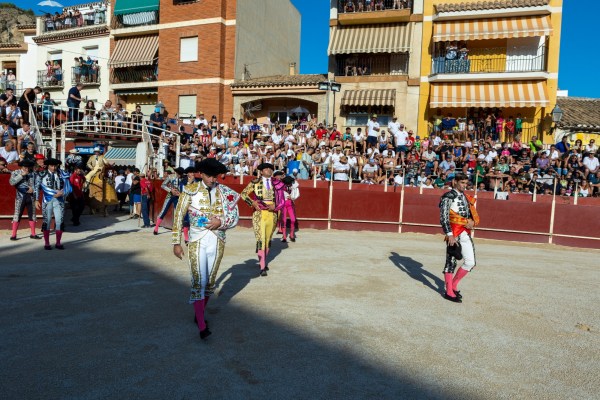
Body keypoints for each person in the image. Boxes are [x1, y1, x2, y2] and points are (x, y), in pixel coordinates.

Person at [171, 158, 240, 340]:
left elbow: (234, 216)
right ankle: (202, 326)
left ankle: (199, 312)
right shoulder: (189, 190)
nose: (212, 179)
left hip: (217, 240)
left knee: (209, 282)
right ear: (201, 174)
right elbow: (178, 217)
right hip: (196, 240)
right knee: (198, 281)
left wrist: (221, 222)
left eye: (215, 176)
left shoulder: (225, 192)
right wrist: (176, 242)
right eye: (209, 175)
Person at [439, 172, 480, 303]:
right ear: (455, 182)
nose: (464, 185)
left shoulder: (465, 196)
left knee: (470, 262)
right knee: (451, 262)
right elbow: (444, 217)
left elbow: (469, 214)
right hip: (454, 233)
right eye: (462, 183)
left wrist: (472, 222)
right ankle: (448, 291)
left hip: (464, 232)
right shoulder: (448, 196)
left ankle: (454, 285)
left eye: (466, 183)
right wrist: (449, 234)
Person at [240, 162, 286, 276]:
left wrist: (276, 206)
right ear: (261, 171)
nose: (269, 170)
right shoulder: (255, 182)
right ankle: (262, 266)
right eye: (266, 169)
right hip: (259, 214)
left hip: (272, 214)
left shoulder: (278, 183)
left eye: (270, 169)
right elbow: (243, 194)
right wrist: (252, 203)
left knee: (268, 239)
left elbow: (282, 200)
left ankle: (263, 260)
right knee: (261, 239)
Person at [36, 158, 67, 250]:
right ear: (48, 166)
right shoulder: (41, 174)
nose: (54, 168)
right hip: (47, 200)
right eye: (51, 166)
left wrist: (62, 192)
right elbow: (36, 187)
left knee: (59, 221)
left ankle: (58, 243)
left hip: (59, 200)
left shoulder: (62, 174)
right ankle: (47, 243)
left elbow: (67, 187)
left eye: (55, 166)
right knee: (47, 221)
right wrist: (36, 200)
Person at [9, 159, 41, 240]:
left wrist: (36, 197)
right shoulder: (16, 172)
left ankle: (33, 234)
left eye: (28, 167)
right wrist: (21, 175)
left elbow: (37, 186)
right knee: (17, 214)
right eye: (24, 167)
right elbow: (11, 182)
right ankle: (13, 235)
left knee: (32, 215)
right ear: (21, 166)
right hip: (20, 197)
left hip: (31, 197)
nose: (26, 169)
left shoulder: (33, 174)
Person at [86, 147, 119, 215]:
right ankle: (86, 185)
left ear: (99, 152)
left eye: (98, 151)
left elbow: (106, 162)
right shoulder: (91, 157)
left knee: (107, 176)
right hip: (94, 169)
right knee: (88, 176)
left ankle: (109, 185)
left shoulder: (102, 157)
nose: (97, 152)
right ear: (94, 152)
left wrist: (108, 164)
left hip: (101, 169)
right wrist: (92, 168)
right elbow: (88, 163)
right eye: (96, 151)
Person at [154, 167, 185, 235]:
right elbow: (163, 185)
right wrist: (171, 190)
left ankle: (179, 227)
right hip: (170, 195)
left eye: (180, 174)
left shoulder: (184, 178)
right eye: (178, 173)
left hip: (179, 196)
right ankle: (156, 228)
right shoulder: (171, 177)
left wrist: (181, 193)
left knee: (179, 212)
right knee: (164, 211)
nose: (179, 175)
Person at [280, 175, 299, 243]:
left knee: (293, 220)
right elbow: (279, 194)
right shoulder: (281, 186)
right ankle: (284, 236)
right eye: (287, 183)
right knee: (284, 220)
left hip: (290, 204)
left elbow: (297, 194)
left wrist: (292, 197)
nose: (288, 184)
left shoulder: (294, 186)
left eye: (289, 183)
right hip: (283, 204)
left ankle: (291, 235)